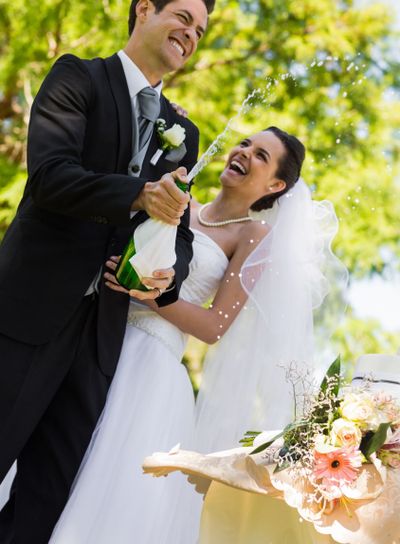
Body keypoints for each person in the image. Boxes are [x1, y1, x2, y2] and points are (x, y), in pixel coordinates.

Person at [49, 126, 335, 543]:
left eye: (260, 155)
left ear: (275, 185)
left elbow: (216, 326)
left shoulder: (252, 236)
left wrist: (153, 298)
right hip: (93, 337)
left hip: (149, 364)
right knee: (53, 463)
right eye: (245, 144)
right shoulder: (178, 202)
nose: (243, 152)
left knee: (105, 483)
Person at [0, 0, 214, 541]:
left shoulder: (183, 132)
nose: (190, 35)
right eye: (183, 18)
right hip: (29, 313)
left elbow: (181, 232)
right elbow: (50, 176)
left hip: (101, 343)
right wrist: (139, 194)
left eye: (200, 30)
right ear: (144, 9)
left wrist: (167, 274)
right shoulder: (78, 76)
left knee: (45, 500)